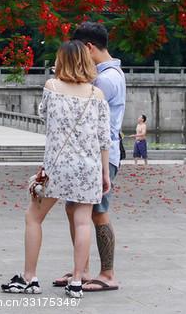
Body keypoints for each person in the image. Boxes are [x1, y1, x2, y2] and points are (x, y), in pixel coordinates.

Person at [1, 40, 111, 299]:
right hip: (89, 166)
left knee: (34, 217)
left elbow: (44, 116)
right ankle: (76, 280)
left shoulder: (52, 87)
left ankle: (29, 277)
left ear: (61, 61)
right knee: (83, 222)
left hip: (58, 166)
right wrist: (105, 174)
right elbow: (104, 138)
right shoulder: (97, 96)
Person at [53, 21, 125, 293]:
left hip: (101, 155)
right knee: (74, 209)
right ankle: (80, 269)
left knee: (98, 212)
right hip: (87, 155)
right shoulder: (104, 74)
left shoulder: (106, 79)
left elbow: (81, 107)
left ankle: (107, 273)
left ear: (89, 47)